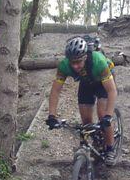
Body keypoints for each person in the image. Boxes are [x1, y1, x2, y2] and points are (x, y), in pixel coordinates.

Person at [46, 36, 118, 164]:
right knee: (86, 122)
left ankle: (110, 148)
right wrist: (52, 115)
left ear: (85, 57)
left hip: (103, 82)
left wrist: (108, 115)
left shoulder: (98, 61)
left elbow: (112, 91)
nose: (75, 66)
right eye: (72, 62)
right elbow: (55, 91)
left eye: (78, 61)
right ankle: (96, 141)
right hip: (86, 83)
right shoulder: (64, 66)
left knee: (102, 114)